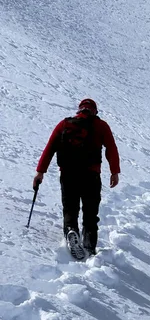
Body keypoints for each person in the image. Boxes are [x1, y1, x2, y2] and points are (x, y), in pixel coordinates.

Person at [33, 99, 120, 255]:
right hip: (91, 175)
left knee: (70, 208)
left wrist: (40, 172)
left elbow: (50, 147)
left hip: (68, 174)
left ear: (79, 110)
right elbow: (111, 149)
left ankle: (71, 231)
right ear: (95, 111)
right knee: (91, 211)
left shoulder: (64, 124)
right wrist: (114, 171)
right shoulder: (101, 126)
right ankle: (89, 243)